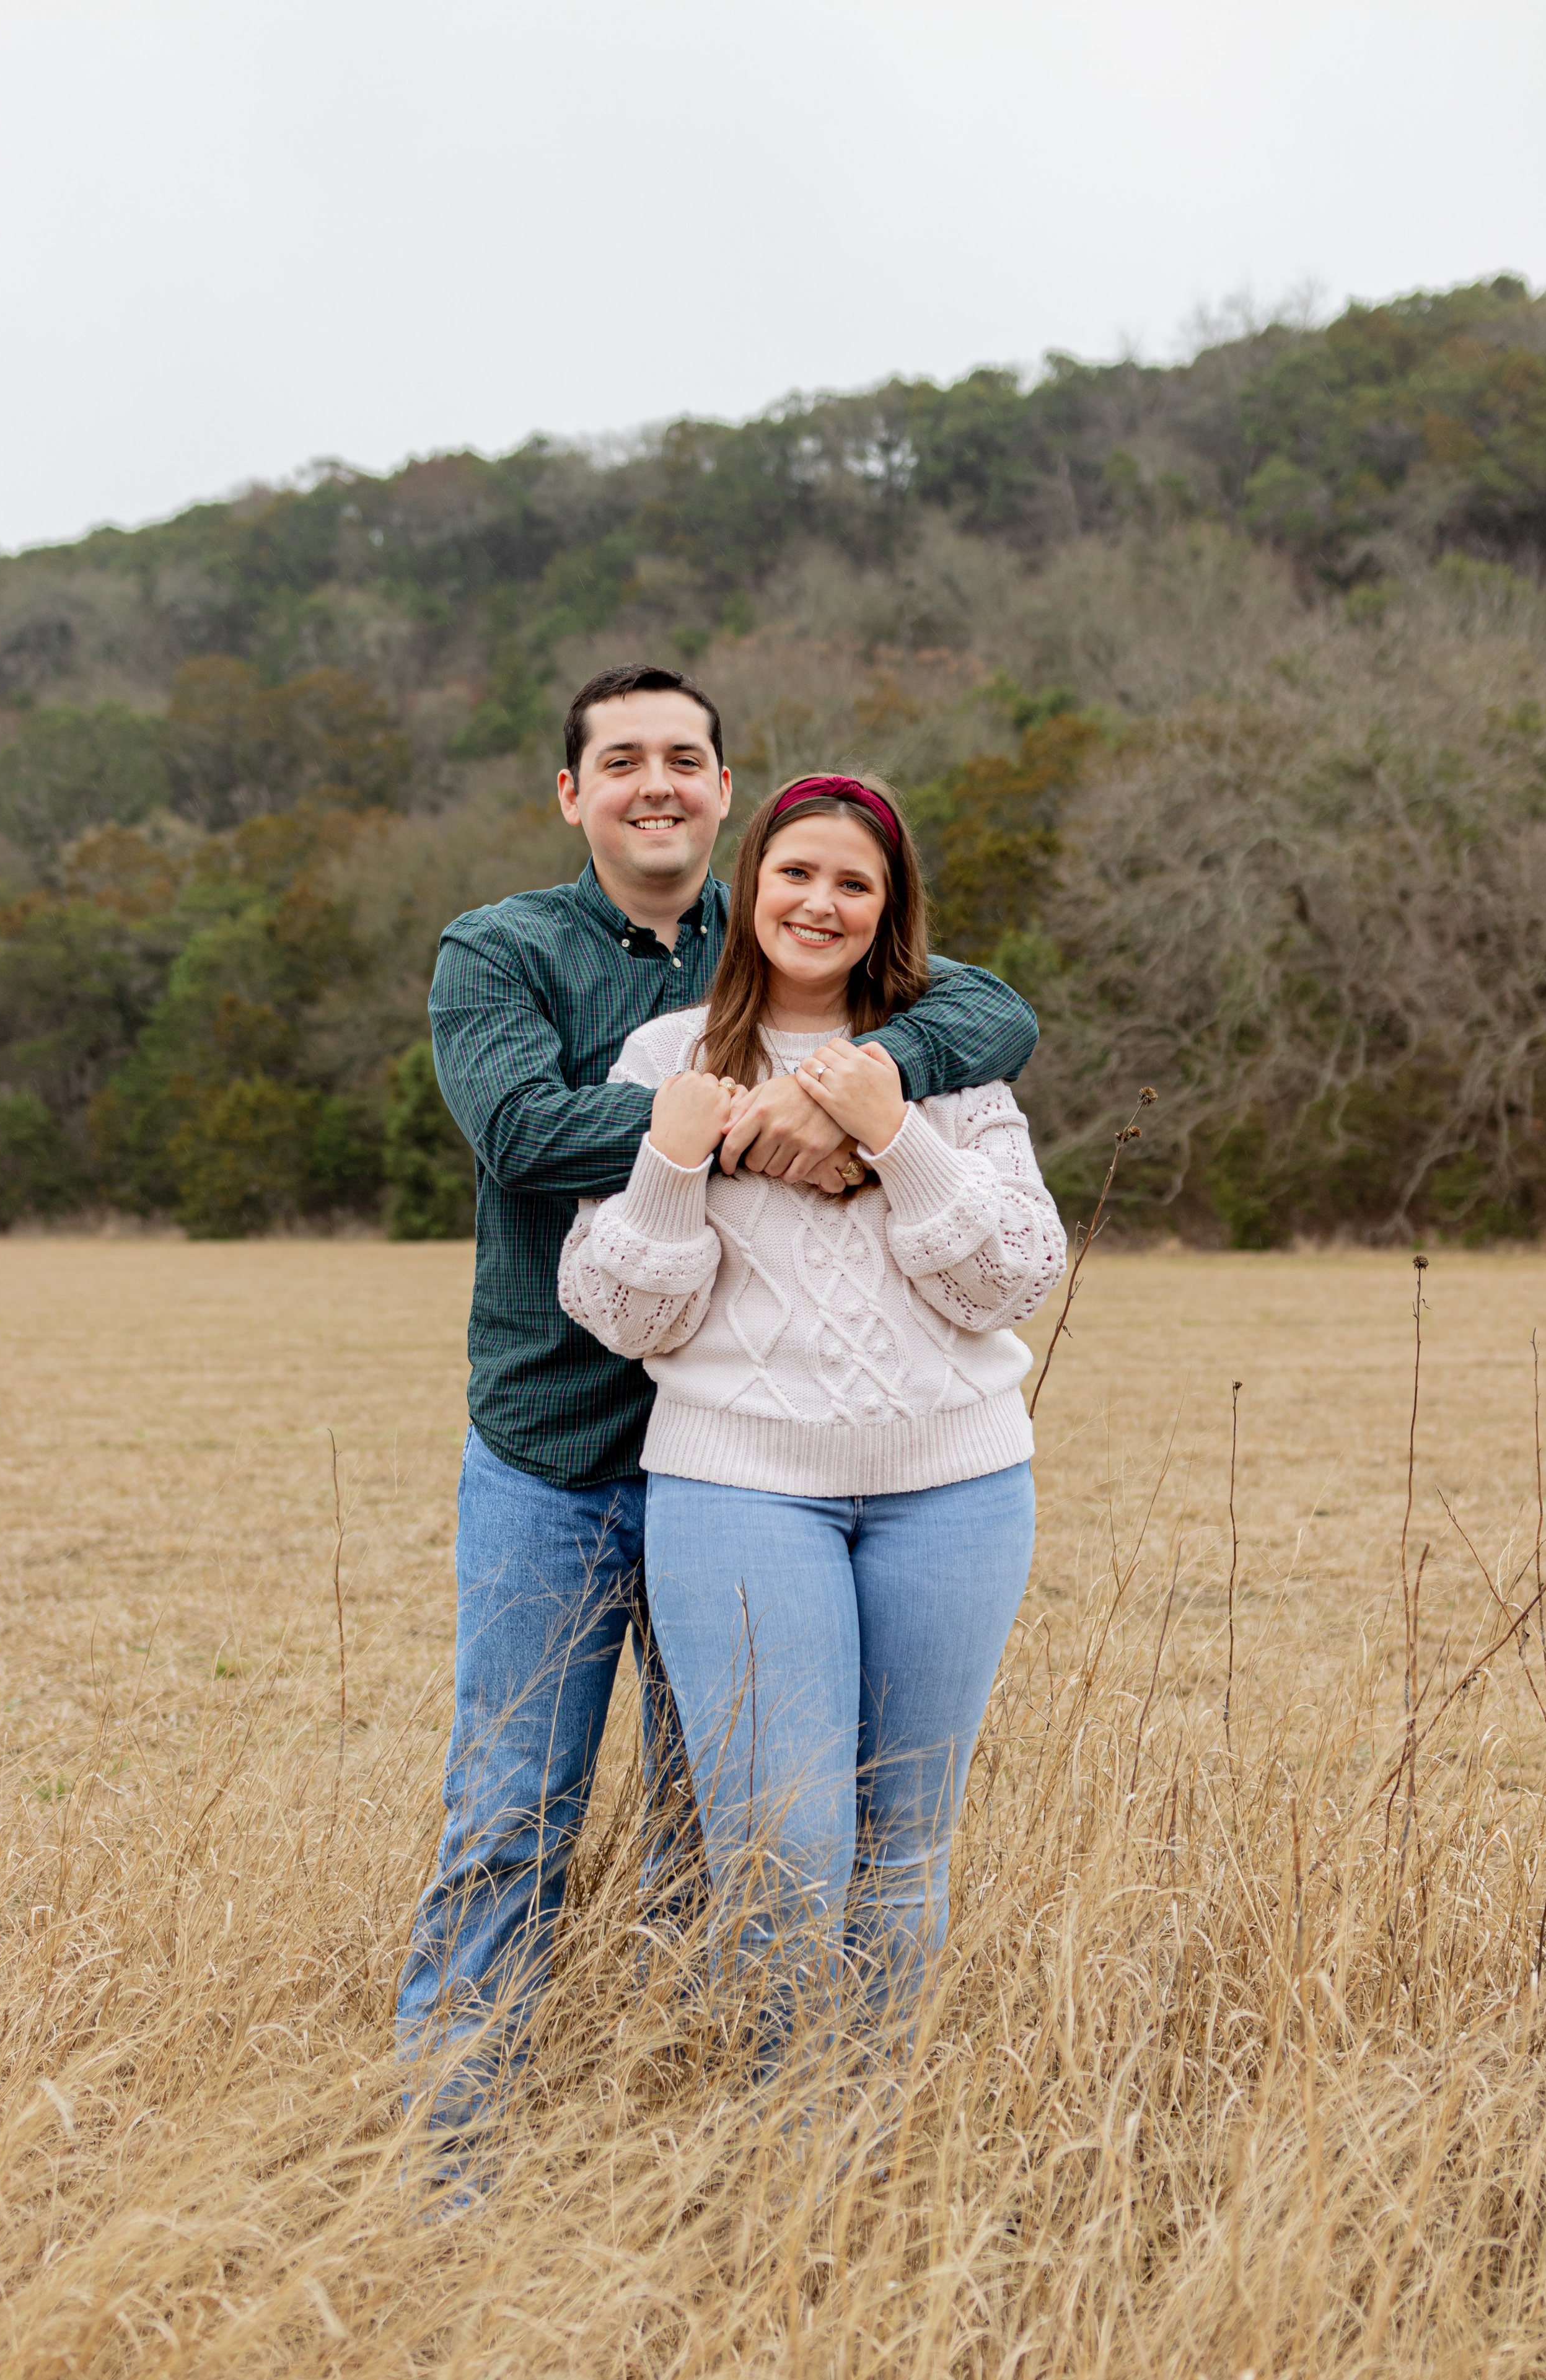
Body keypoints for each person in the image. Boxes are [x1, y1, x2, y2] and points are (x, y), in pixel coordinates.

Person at [397, 669, 1041, 2126]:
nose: (656, 783)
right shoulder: (503, 950)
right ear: (572, 794)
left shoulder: (792, 939)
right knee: (514, 1815)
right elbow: (514, 1128)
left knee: (742, 1841)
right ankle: (452, 2152)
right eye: (619, 760)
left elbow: (994, 1011)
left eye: (685, 758)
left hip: (745, 1472)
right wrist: (748, 1121)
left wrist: (856, 1082)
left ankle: (692, 2134)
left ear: (727, 796)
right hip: (564, 1447)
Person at [557, 773, 1066, 2063]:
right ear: (749, 889)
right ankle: (790, 2148)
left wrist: (892, 1132)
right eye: (795, 873)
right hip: (738, 1493)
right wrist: (671, 1164)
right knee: (782, 1846)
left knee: (900, 1849)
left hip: (953, 1490)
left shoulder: (947, 1065)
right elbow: (621, 1312)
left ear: (888, 911)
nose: (819, 902)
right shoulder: (659, 1061)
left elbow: (1009, 1277)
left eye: (853, 882)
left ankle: (868, 2151)